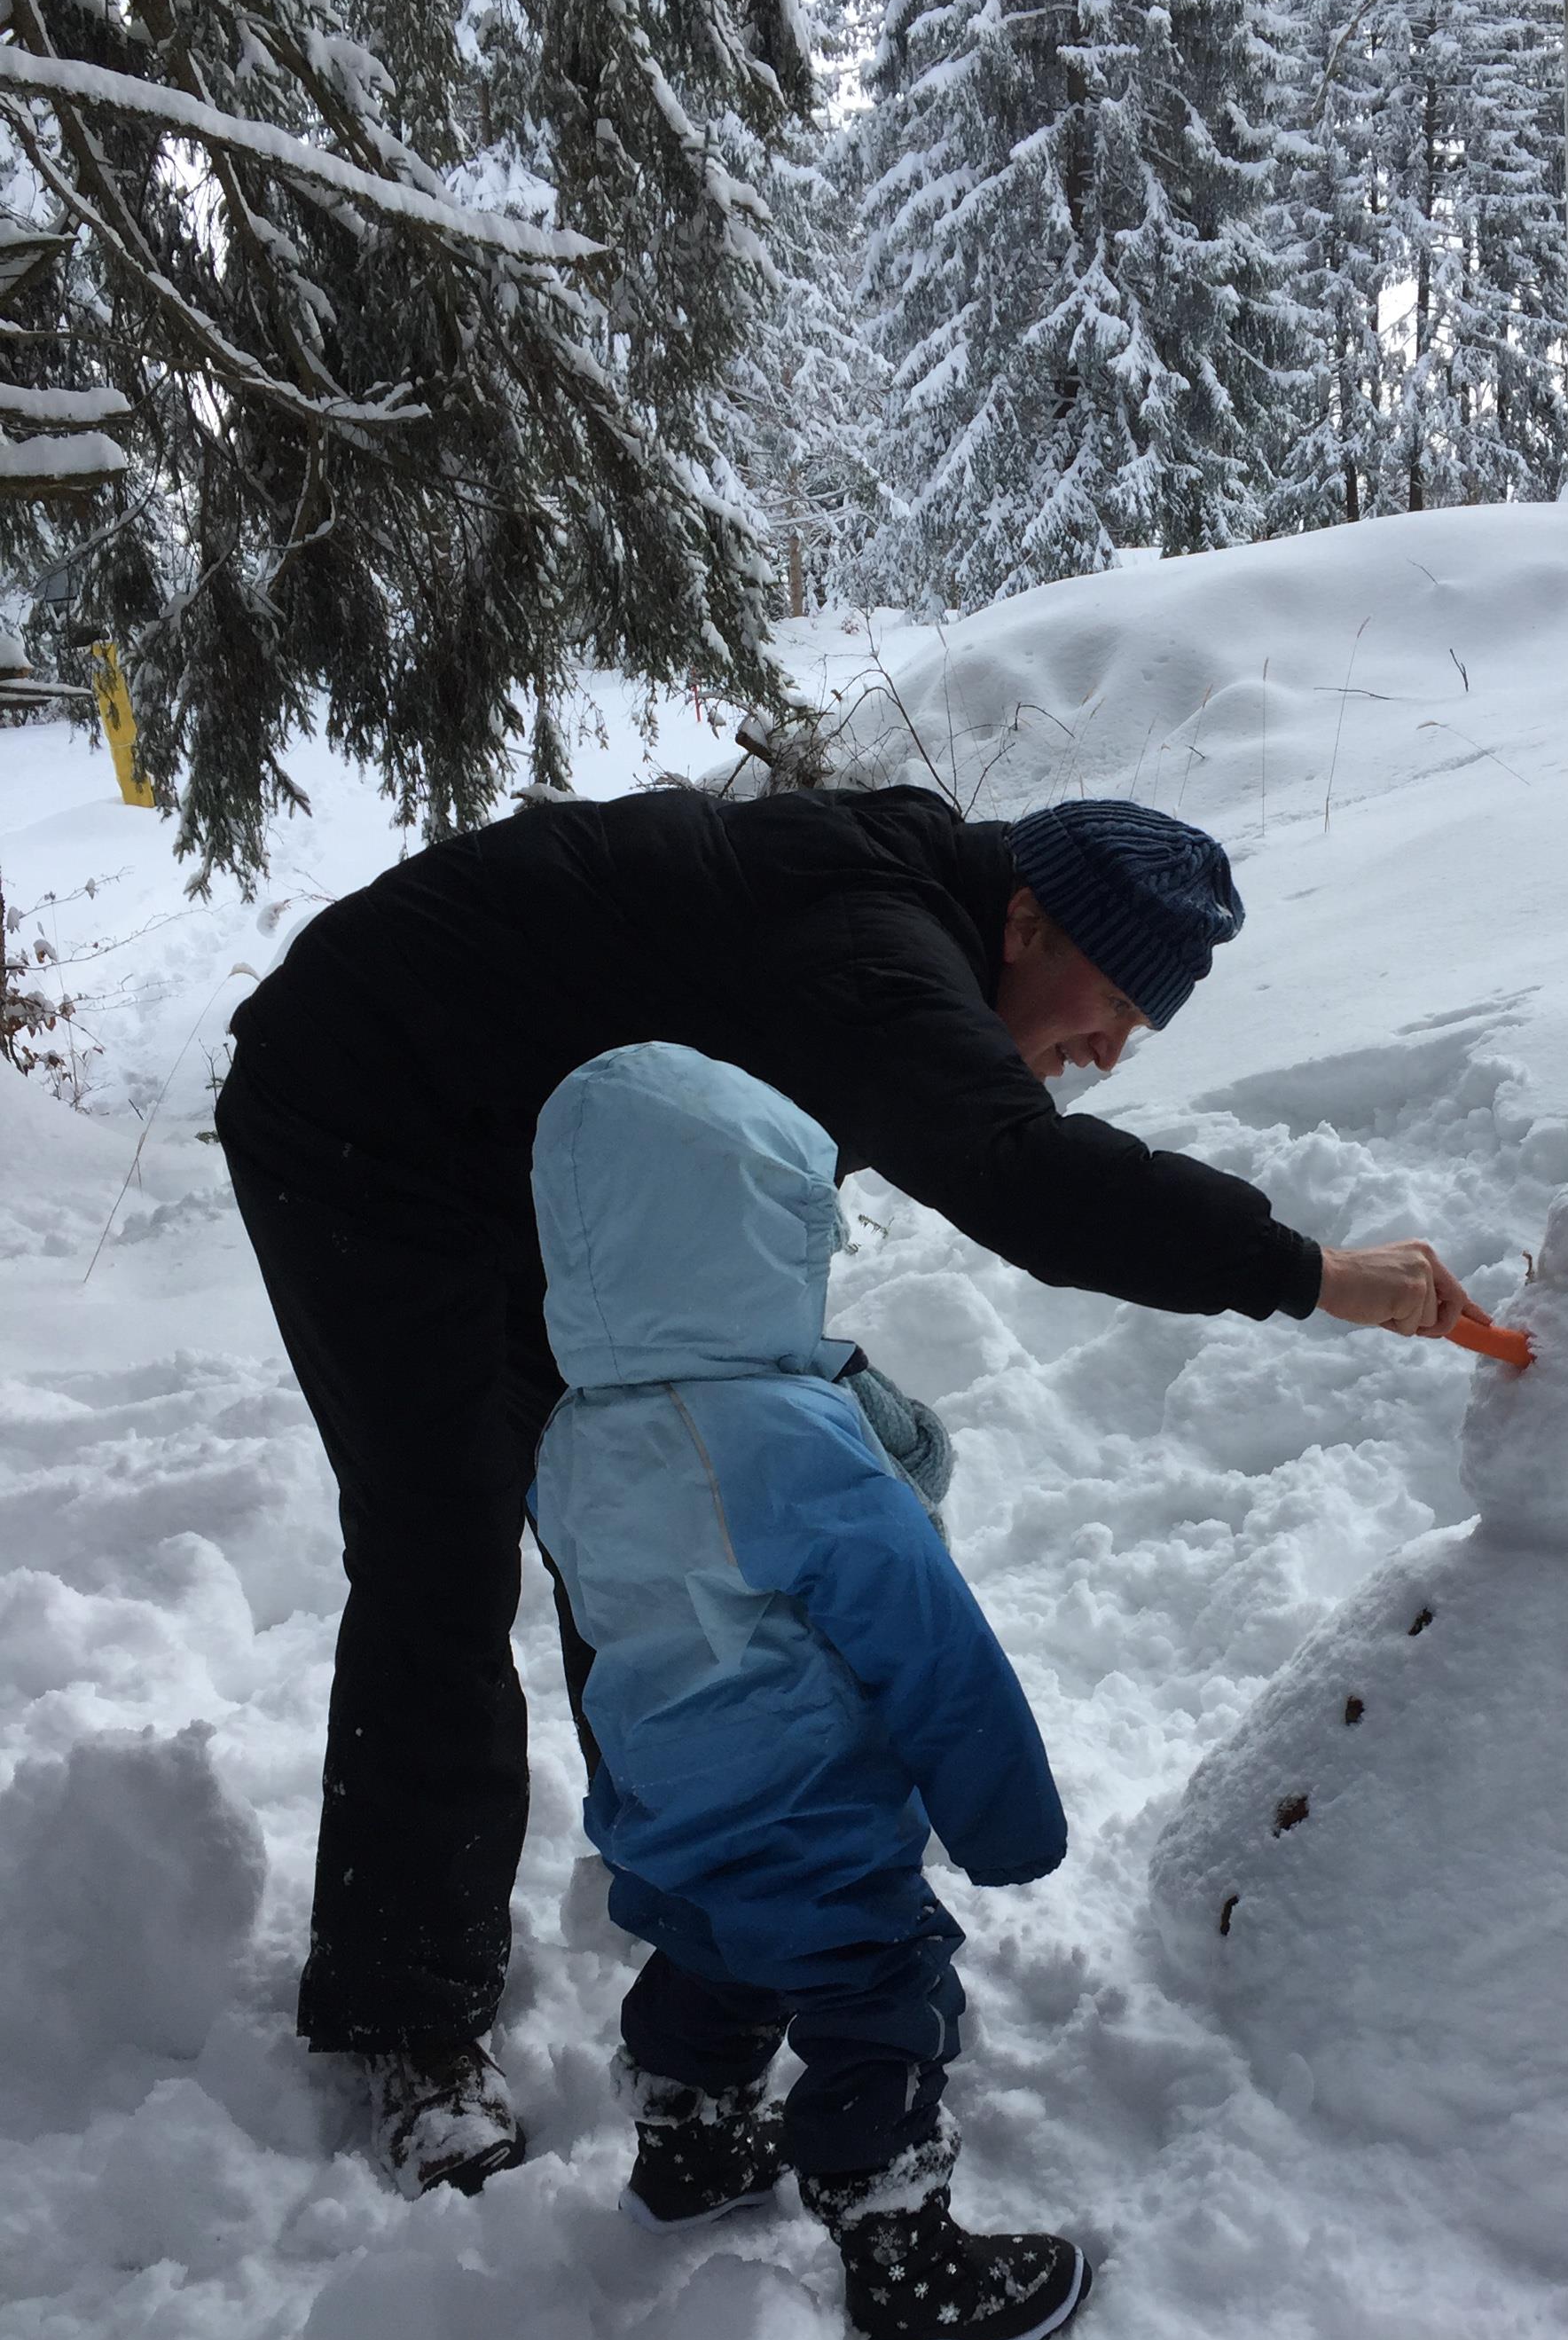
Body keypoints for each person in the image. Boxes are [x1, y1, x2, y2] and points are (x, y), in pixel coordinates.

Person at [217, 783, 1484, 2193]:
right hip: (370, 1122)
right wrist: (1319, 1275)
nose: (1109, 1050)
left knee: (645, 1509)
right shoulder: (878, 945)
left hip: (546, 1168)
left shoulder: (901, 930)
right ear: (1023, 918)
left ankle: (694, 1879)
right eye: (1110, 998)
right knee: (442, 1548)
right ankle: (407, 2018)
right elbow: (1022, 1173)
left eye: (1140, 1029)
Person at [529, 1040, 1087, 2340]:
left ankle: (692, 2148)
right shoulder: (782, 1435)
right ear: (742, 1238)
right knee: (874, 1986)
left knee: (715, 1955)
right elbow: (922, 1632)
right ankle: (899, 2251)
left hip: (669, 1791)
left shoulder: (572, 1434)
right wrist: (1006, 1818)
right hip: (804, 1797)